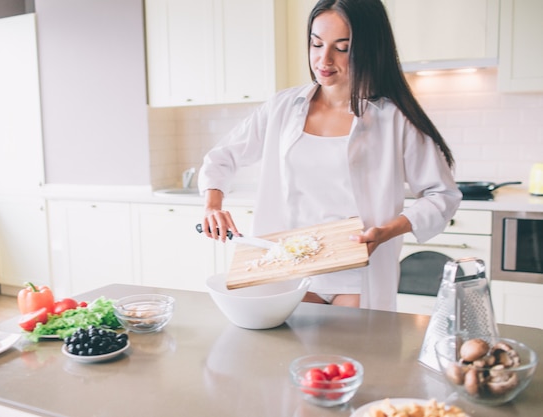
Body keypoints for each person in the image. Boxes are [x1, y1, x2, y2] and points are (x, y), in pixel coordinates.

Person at [197, 0, 462, 311]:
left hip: (357, 271)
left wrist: (387, 232)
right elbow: (223, 156)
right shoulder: (283, 107)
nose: (324, 59)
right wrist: (212, 204)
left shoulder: (394, 118)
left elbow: (442, 195)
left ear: (369, 49)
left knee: (349, 357)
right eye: (316, 43)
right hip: (286, 267)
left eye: (343, 47)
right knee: (288, 358)